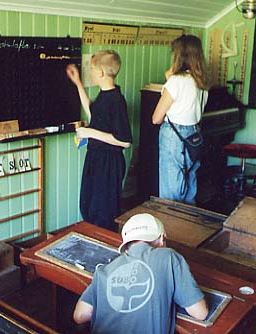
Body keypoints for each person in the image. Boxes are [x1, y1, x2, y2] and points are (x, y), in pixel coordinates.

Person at [72, 213, 208, 333]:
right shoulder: (169, 257)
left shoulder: (104, 270)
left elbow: (80, 315)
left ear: (126, 248)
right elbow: (200, 313)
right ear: (161, 239)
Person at [66, 50, 132, 231]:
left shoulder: (116, 100)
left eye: (92, 70)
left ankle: (105, 249)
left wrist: (90, 133)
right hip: (96, 158)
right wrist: (78, 83)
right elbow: (93, 114)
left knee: (103, 212)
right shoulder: (104, 95)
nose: (91, 73)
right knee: (89, 205)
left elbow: (124, 141)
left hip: (108, 163)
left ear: (101, 73)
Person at [152, 34, 209, 205]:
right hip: (193, 135)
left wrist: (169, 79)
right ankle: (187, 228)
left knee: (171, 191)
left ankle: (172, 228)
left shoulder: (176, 81)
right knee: (189, 186)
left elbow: (156, 118)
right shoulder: (201, 81)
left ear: (178, 55)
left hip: (173, 136)